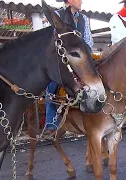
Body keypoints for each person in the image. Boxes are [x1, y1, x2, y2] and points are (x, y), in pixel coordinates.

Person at [44, 0, 93, 134]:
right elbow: (51, 40)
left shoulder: (84, 18)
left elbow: (89, 41)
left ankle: (95, 114)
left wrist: (82, 54)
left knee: (96, 79)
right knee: (52, 83)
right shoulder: (56, 16)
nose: (81, 1)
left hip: (79, 59)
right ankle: (51, 121)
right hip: (61, 59)